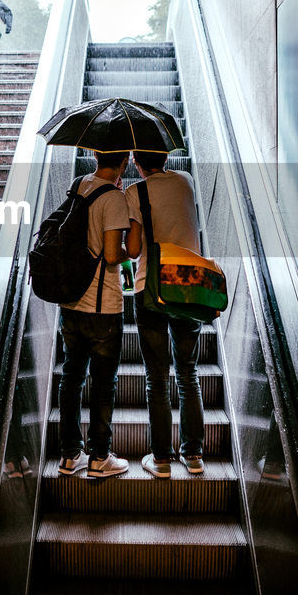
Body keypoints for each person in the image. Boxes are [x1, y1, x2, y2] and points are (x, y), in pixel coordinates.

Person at [124, 149, 206, 479]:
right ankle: (194, 455)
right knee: (188, 373)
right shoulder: (186, 181)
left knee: (156, 379)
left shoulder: (135, 192)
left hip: (151, 289)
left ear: (135, 161)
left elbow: (132, 250)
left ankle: (160, 461)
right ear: (166, 155)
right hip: (188, 287)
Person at [57, 149, 135, 479]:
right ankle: (100, 457)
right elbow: (114, 255)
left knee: (72, 376)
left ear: (93, 153)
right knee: (104, 383)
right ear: (126, 160)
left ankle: (69, 455)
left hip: (71, 303)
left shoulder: (79, 185)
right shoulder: (114, 199)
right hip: (103, 307)